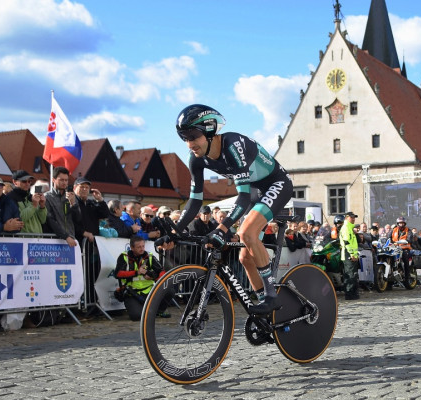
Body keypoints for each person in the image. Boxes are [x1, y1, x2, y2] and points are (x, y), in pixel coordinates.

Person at [173, 104, 293, 314]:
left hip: (276, 184)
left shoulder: (232, 144)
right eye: (184, 138)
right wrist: (174, 230)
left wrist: (222, 228)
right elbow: (194, 201)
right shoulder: (196, 160)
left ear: (210, 131)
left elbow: (243, 198)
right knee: (245, 257)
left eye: (193, 136)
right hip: (256, 191)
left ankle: (272, 295)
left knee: (246, 232)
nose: (189, 144)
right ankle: (266, 308)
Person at [113, 235, 168, 321]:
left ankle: (158, 311)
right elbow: (117, 274)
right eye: (139, 247)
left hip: (149, 290)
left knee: (169, 290)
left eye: (143, 246)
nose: (142, 249)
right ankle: (145, 310)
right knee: (136, 316)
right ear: (132, 247)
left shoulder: (149, 256)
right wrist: (136, 272)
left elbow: (162, 272)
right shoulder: (124, 257)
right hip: (132, 292)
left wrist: (153, 277)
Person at [44, 166, 80, 247]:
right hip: (54, 240)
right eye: (61, 180)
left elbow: (78, 219)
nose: (64, 183)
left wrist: (73, 204)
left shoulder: (71, 196)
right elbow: (51, 221)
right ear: (53, 179)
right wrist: (65, 236)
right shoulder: (47, 197)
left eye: (66, 180)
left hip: (71, 239)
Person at [72, 177, 110, 244]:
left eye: (87, 187)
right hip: (77, 241)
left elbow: (105, 214)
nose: (84, 189)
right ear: (74, 188)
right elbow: (70, 222)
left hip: (92, 243)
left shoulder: (91, 203)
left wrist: (100, 200)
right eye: (82, 187)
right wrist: (83, 233)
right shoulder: (71, 203)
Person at [8, 170, 47, 234]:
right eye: (24, 181)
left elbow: (42, 220)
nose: (27, 184)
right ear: (15, 182)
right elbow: (19, 219)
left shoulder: (31, 197)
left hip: (38, 238)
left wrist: (42, 206)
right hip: (23, 239)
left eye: (29, 181)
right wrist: (34, 206)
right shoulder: (10, 197)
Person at [339, 212, 360, 300]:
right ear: (347, 218)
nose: (353, 219)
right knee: (350, 275)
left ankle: (353, 293)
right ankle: (349, 294)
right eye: (352, 217)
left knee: (354, 275)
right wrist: (352, 254)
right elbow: (346, 242)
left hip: (352, 255)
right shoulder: (346, 228)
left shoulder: (350, 228)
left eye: (354, 217)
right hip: (348, 254)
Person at [391, 216, 413, 281]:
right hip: (395, 248)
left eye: (402, 223)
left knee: (405, 257)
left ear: (405, 224)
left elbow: (410, 238)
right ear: (397, 224)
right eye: (400, 223)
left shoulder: (408, 230)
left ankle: (407, 275)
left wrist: (407, 240)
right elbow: (388, 237)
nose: (401, 224)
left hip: (405, 248)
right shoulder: (394, 230)